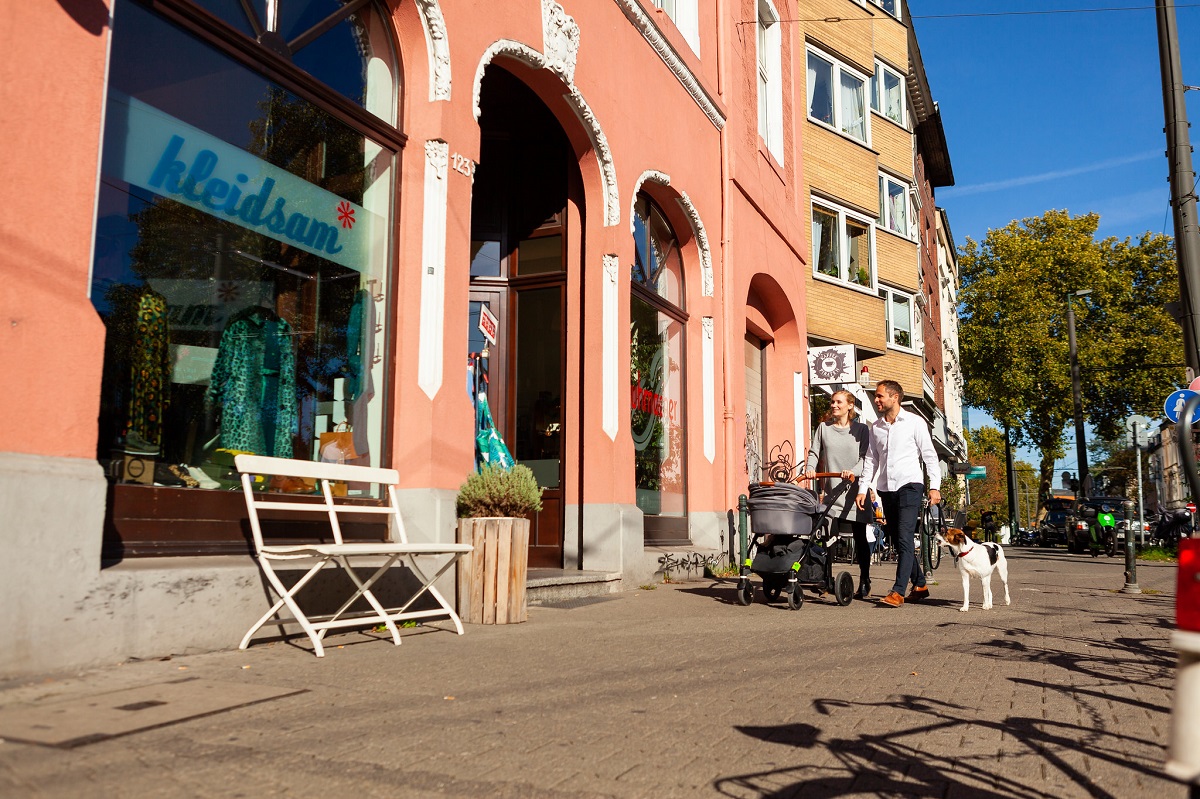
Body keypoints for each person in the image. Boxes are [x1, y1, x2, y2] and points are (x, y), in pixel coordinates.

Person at [855, 379, 942, 607]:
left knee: (903, 538)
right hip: (886, 488)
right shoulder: (876, 427)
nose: (876, 400)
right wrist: (863, 488)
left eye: (880, 396)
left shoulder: (915, 422)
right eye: (876, 396)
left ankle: (898, 591)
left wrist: (935, 486)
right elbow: (871, 460)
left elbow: (930, 456)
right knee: (897, 538)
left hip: (910, 486)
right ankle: (920, 584)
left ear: (895, 397)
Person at [804, 389, 874, 599]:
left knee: (860, 538)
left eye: (838, 402)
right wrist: (810, 468)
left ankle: (865, 579)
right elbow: (815, 452)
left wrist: (854, 471)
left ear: (850, 406)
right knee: (827, 537)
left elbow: (867, 458)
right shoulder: (823, 429)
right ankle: (826, 579)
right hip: (832, 493)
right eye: (832, 402)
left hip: (855, 493)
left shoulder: (861, 430)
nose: (834, 405)